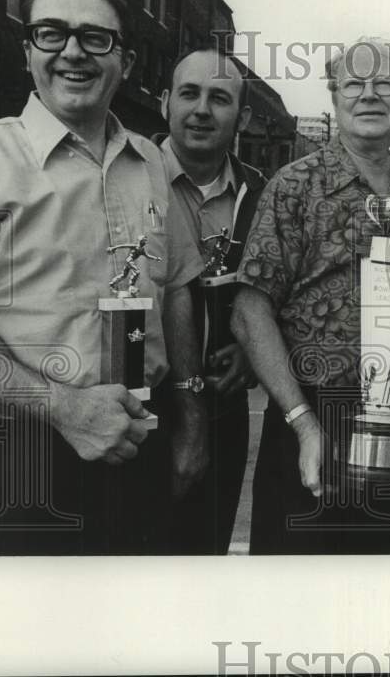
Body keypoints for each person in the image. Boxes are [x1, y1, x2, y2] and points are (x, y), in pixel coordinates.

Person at [0, 0, 208, 555]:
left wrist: (191, 421)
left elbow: (174, 291)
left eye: (96, 38)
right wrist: (64, 408)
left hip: (141, 444)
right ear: (27, 50)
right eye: (52, 33)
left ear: (125, 61)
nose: (74, 53)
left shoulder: (149, 162)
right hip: (18, 455)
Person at [232, 37, 390, 554]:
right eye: (354, 84)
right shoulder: (294, 187)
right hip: (315, 419)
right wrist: (304, 425)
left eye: (385, 84)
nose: (369, 95)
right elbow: (250, 314)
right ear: (335, 96)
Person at [153, 44, 266, 554]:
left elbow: (282, 296)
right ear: (164, 103)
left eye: (218, 98)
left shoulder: (265, 196)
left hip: (223, 410)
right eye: (189, 94)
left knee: (201, 560)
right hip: (140, 406)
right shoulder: (122, 178)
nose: (201, 109)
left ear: (241, 116)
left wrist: (254, 352)